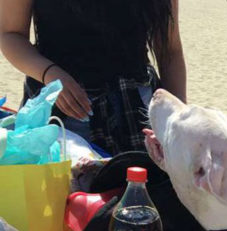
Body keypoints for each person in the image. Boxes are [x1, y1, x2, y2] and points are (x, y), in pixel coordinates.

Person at [0, 0, 186, 154]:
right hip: (61, 113)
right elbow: (10, 34)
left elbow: (170, 51)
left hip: (139, 112)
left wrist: (177, 123)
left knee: (147, 194)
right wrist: (50, 73)